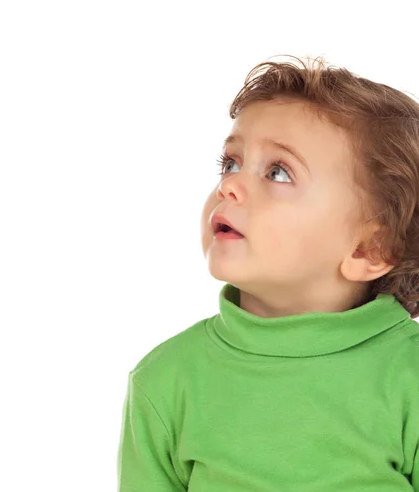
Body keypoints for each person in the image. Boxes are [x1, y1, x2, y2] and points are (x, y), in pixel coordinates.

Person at [116, 55, 419, 491]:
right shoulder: (167, 381)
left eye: (278, 172)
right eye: (230, 163)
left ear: (369, 248)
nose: (229, 186)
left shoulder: (408, 378)